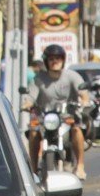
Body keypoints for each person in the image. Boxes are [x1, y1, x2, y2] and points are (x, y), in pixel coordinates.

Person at [26, 44, 87, 178]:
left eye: (58, 58)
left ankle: (80, 166)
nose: (55, 61)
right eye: (51, 59)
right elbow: (30, 97)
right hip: (45, 118)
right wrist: (27, 104)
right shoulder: (39, 79)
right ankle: (34, 171)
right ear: (46, 61)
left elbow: (83, 93)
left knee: (77, 129)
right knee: (33, 132)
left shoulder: (72, 76)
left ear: (63, 60)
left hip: (67, 116)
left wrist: (84, 100)